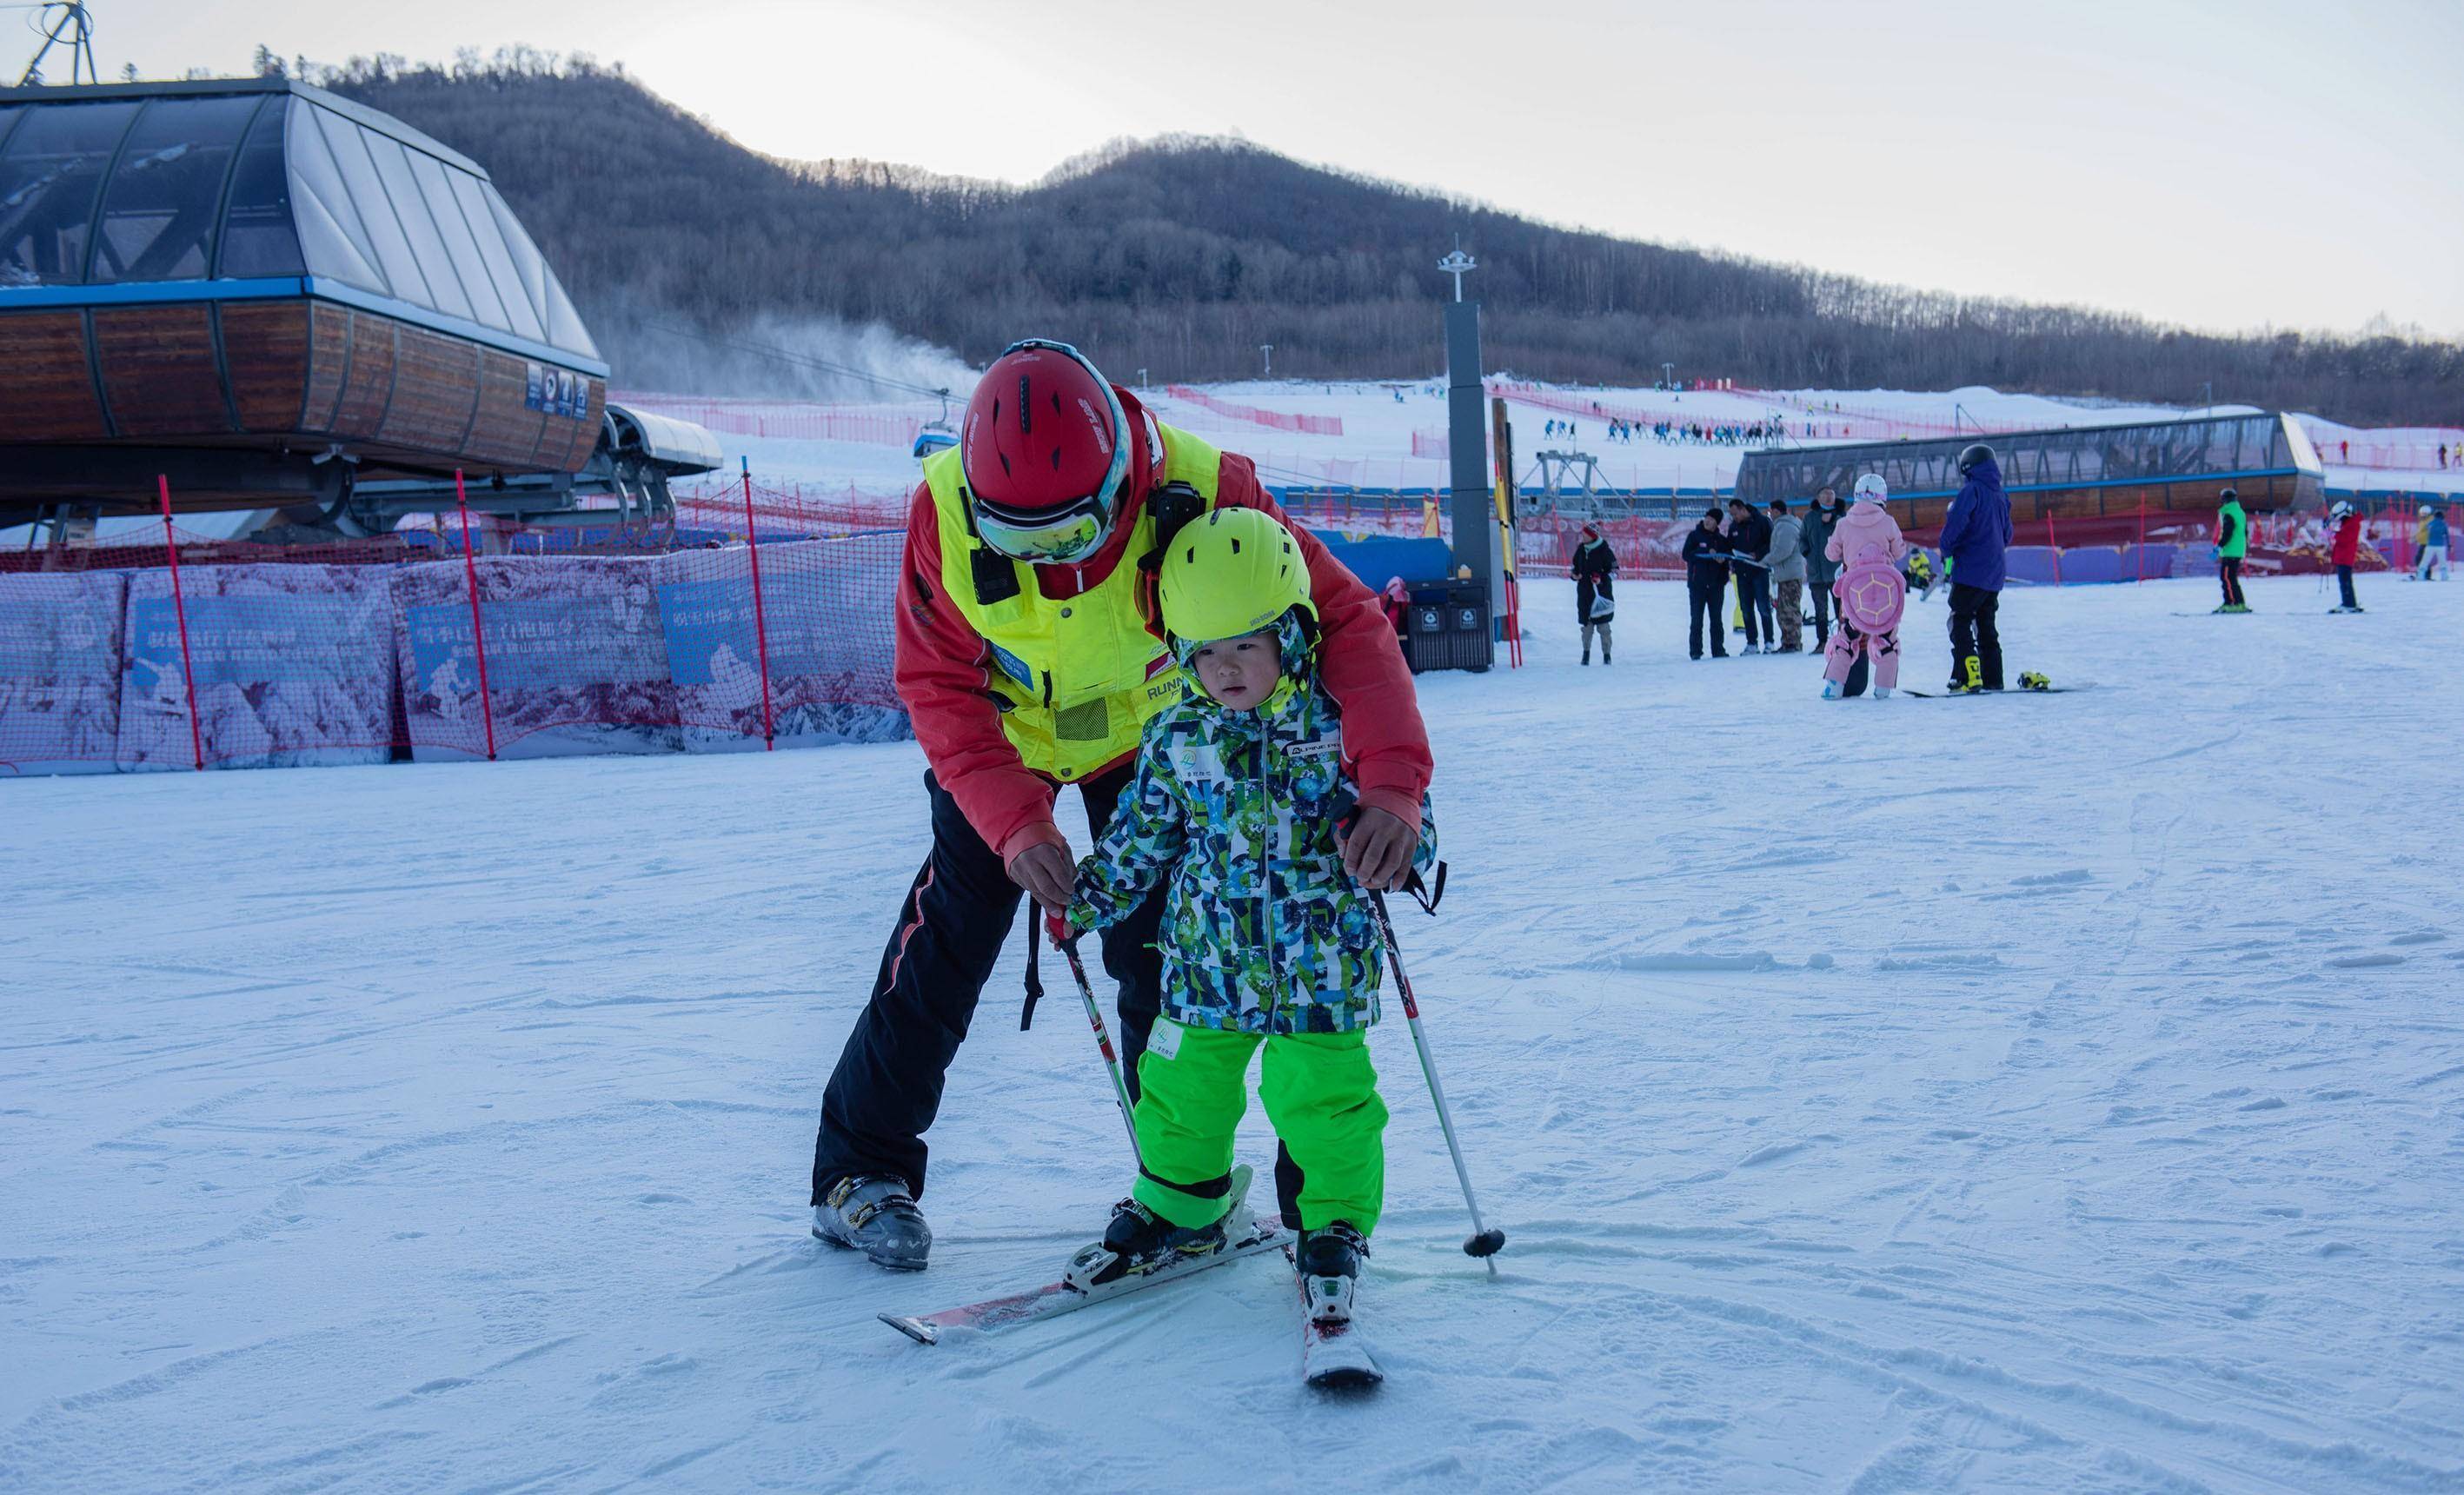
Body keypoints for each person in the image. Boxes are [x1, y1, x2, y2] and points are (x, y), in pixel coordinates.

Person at [808, 339, 1432, 1271]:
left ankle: (1187, 1186)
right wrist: (1016, 823)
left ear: (1121, 487)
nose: (1051, 559)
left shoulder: (1208, 489)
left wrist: (1389, 782)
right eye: (1022, 541)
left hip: (1151, 742)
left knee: (1163, 950)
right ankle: (859, 1172)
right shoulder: (941, 515)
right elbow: (936, 679)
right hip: (1004, 743)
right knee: (948, 938)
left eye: (1071, 534)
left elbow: (1336, 615)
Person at [1058, 508, 1438, 1319]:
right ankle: (1179, 1206)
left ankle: (1332, 1222)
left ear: (1291, 639)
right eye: (1205, 652)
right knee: (1178, 1089)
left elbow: (1406, 813)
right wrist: (1087, 899)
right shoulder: (1173, 736)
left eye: (1245, 646)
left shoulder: (1338, 729)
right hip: (1206, 967)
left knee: (1324, 1101)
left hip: (1320, 967)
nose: (1224, 669)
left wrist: (1398, 845)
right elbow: (1141, 838)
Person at [1821, 474, 1908, 700]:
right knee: (1887, 639)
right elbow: (1899, 553)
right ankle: (1883, 690)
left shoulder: (1843, 524)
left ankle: (1834, 687)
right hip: (1885, 593)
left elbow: (1831, 554)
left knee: (1848, 637)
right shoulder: (1888, 522)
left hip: (1854, 593)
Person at [1936, 442, 2013, 692]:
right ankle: (1993, 677)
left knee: (1959, 620)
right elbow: (2007, 534)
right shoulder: (2001, 495)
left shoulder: (1972, 491)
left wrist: (1946, 548)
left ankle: (1965, 676)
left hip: (1971, 571)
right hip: (1994, 573)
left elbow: (1955, 525)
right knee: (1986, 624)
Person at [1681, 506, 1730, 660]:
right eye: (1707, 518)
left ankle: (1718, 649)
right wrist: (1705, 552)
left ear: (1717, 523)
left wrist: (1722, 562)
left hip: (1716, 586)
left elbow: (1727, 560)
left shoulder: (1721, 540)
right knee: (1697, 619)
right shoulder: (1694, 536)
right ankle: (1695, 651)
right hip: (1697, 585)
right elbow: (1686, 555)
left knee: (1716, 619)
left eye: (1712, 520)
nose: (1708, 521)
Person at [1725, 497, 1773, 653]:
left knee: (1763, 607)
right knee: (1746, 608)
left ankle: (1769, 641)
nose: (1734, 518)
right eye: (1732, 515)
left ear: (1743, 509)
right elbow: (1729, 547)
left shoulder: (1762, 522)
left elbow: (1772, 543)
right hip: (1742, 572)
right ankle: (1751, 642)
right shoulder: (1733, 527)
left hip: (1759, 570)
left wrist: (1758, 554)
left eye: (1735, 514)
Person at [1801, 486, 1845, 644]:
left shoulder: (1842, 516)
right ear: (1818, 498)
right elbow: (1802, 539)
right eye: (1825, 494)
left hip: (1836, 572)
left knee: (1841, 609)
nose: (1828, 497)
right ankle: (1822, 642)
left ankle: (1843, 641)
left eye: (1831, 494)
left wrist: (1833, 520)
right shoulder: (1810, 517)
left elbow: (1846, 538)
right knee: (1820, 610)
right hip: (1816, 572)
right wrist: (1808, 554)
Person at [1571, 522, 1617, 665]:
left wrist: (1601, 579)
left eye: (1585, 535)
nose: (1582, 537)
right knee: (1586, 628)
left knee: (1604, 628)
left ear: (1592, 536)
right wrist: (1574, 575)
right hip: (1584, 595)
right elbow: (1574, 568)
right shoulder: (1580, 550)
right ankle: (1586, 654)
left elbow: (1615, 571)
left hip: (1601, 595)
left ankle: (1607, 655)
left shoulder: (1605, 550)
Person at [1763, 497, 1805, 653]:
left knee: (1789, 610)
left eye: (1770, 511)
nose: (1770, 515)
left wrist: (1766, 560)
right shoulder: (1785, 525)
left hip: (1790, 575)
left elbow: (1782, 551)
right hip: (1787, 574)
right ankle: (1789, 641)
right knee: (1784, 609)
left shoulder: (1785, 527)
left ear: (1776, 511)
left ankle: (1793, 642)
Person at [2213, 486, 2252, 613]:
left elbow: (2228, 532)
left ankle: (2231, 603)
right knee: (2231, 578)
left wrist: (2219, 545)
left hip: (2230, 551)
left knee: (2227, 578)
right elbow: (2245, 532)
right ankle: (2239, 603)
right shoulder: (2240, 512)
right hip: (2238, 550)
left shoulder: (2228, 512)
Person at [2328, 500, 2366, 612]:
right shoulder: (2350, 522)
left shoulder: (2352, 523)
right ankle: (2349, 603)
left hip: (2345, 557)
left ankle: (2349, 604)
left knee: (2345, 581)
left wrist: (2331, 533)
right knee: (2345, 581)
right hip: (2343, 556)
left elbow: (2344, 538)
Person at [2419, 504, 2449, 581]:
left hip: (2430, 545)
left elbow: (2424, 530)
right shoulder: (2444, 524)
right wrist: (2449, 545)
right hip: (2441, 546)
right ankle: (2444, 577)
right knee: (2442, 562)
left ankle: (2420, 576)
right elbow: (2447, 535)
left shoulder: (2430, 523)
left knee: (2425, 561)